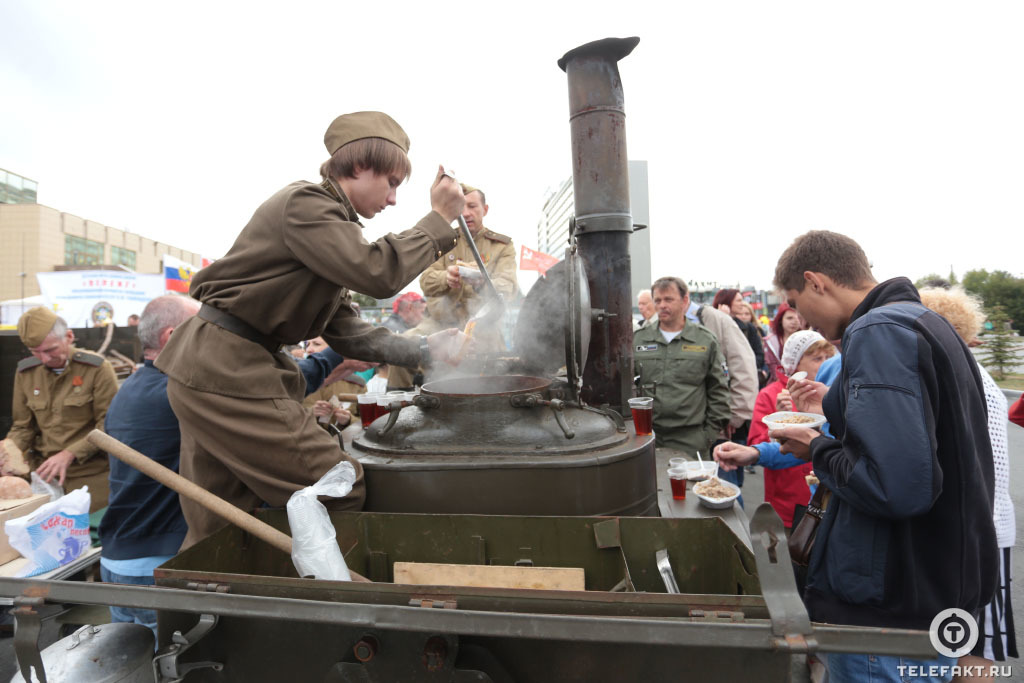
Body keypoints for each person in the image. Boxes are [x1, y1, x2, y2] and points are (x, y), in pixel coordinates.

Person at [154, 111, 468, 549]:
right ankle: (331, 592)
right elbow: (376, 272)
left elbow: (350, 333)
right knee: (341, 485)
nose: (394, 199)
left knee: (228, 516)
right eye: (392, 182)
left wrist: (424, 349)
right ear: (359, 166)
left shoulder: (329, 230)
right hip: (226, 367)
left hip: (216, 366)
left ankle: (229, 602)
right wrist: (437, 220)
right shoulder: (306, 205)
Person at [768, 230, 997, 681]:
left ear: (816, 282)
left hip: (889, 605)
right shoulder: (922, 322)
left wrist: (816, 447)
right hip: (929, 588)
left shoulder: (877, 331)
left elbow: (897, 487)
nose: (801, 318)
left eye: (795, 302)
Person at [919, 286, 1017, 666]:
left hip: (980, 530)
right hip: (985, 526)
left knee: (971, 649)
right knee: (969, 642)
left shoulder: (962, 377)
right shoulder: (972, 373)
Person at [98, 295, 200, 637]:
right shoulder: (175, 394)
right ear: (171, 337)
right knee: (170, 668)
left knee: (130, 666)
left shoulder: (129, 390)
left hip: (119, 561)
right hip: (153, 568)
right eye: (199, 330)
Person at [714, 330, 836, 529]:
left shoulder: (830, 393)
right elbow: (758, 442)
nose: (825, 363)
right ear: (795, 365)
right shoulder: (771, 395)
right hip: (786, 502)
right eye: (817, 358)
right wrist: (782, 423)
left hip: (822, 500)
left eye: (828, 357)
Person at [2, 307, 118, 512]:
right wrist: (9, 452)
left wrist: (70, 453)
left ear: (69, 336)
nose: (44, 359)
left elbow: (109, 425)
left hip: (90, 477)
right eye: (35, 352)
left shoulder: (97, 369)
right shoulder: (26, 373)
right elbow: (23, 427)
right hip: (44, 477)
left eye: (50, 350)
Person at [633, 277, 730, 458]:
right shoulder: (638, 339)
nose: (662, 305)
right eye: (658, 300)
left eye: (668, 299)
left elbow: (720, 391)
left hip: (691, 439)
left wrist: (708, 436)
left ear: (685, 301)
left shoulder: (705, 340)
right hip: (647, 436)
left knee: (690, 486)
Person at [418, 183, 518, 333]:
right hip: (440, 328)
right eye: (461, 207)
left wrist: (482, 282)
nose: (465, 213)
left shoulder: (502, 246)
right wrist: (447, 277)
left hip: (484, 331)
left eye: (472, 206)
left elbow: (508, 289)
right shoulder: (441, 240)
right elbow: (425, 281)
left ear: (485, 210)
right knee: (400, 347)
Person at [713, 289, 766, 387]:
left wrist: (746, 365)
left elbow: (759, 355)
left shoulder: (748, 328)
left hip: (742, 381)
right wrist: (722, 317)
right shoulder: (711, 323)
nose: (742, 303)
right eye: (739, 300)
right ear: (727, 302)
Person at [762, 302, 808, 381]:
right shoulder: (771, 342)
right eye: (789, 318)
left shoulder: (808, 339)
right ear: (781, 320)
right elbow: (773, 369)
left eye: (798, 318)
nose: (794, 321)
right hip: (778, 384)